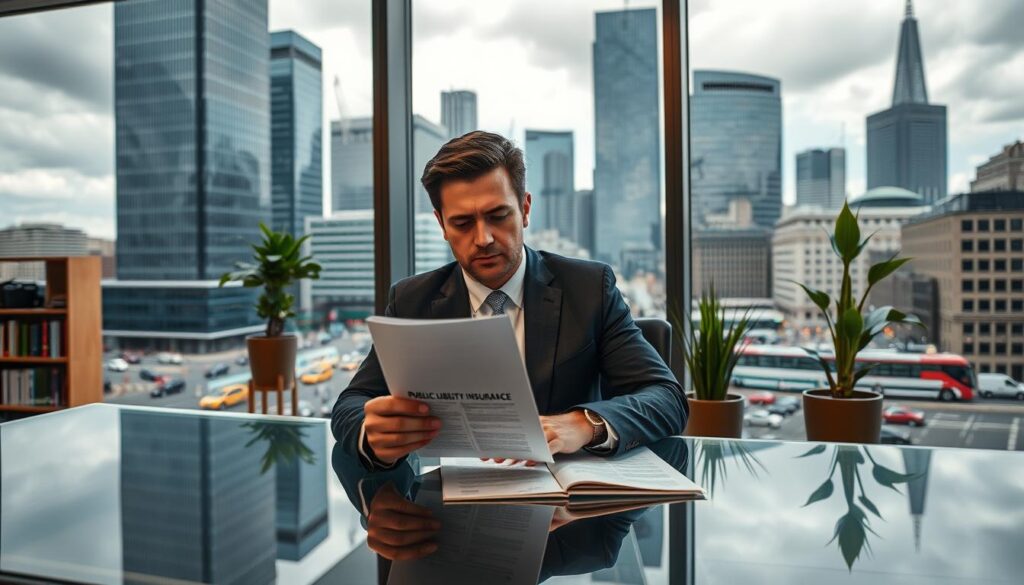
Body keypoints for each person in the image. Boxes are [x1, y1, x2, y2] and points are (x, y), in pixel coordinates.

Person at [330, 131, 687, 469]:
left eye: (498, 216)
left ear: (525, 209)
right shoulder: (412, 300)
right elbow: (350, 405)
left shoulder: (589, 287)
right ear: (441, 224)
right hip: (446, 512)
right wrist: (370, 433)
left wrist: (584, 424)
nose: (483, 238)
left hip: (568, 513)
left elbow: (667, 397)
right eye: (462, 223)